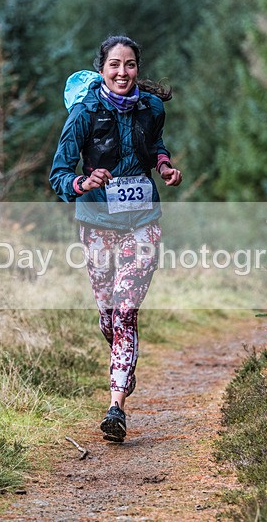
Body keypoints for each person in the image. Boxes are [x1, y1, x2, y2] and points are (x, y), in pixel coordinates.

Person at [50, 35, 182, 442]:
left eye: (129, 65)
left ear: (137, 68)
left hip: (143, 222)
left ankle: (115, 408)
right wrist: (82, 180)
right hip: (96, 224)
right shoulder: (85, 113)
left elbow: (154, 142)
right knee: (108, 317)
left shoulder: (151, 107)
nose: (122, 72)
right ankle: (125, 366)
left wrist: (163, 164)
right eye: (114, 65)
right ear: (102, 69)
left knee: (126, 312)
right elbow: (58, 174)